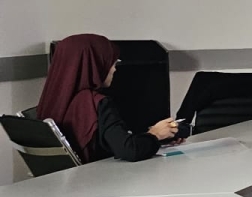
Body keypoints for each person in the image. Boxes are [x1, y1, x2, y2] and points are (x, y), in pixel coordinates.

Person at [35, 34, 178, 163]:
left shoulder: (51, 100)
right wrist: (155, 135)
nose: (114, 69)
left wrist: (152, 138)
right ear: (95, 64)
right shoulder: (94, 102)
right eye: (112, 62)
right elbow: (129, 150)